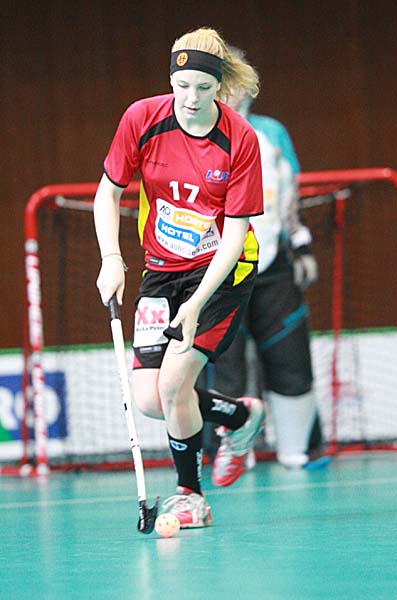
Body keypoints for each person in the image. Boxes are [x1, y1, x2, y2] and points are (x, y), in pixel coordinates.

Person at [94, 27, 266, 529]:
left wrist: (194, 305)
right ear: (170, 78)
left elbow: (234, 236)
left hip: (222, 272)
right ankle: (239, 416)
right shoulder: (142, 119)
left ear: (221, 86)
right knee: (151, 399)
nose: (191, 98)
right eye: (182, 85)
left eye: (204, 88)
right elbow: (108, 192)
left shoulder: (240, 139)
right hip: (161, 269)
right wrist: (111, 258)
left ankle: (191, 496)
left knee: (174, 384)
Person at [210, 46, 329, 485]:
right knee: (221, 363)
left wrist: (301, 245)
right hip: (216, 269)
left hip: (272, 263)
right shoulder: (195, 136)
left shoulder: (272, 133)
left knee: (288, 353)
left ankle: (297, 448)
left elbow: (288, 196)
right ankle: (230, 451)